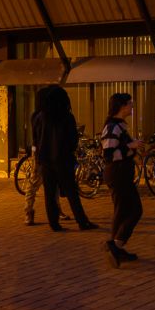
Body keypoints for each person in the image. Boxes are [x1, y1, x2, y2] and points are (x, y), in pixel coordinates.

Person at [32, 86, 97, 232]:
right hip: (63, 160)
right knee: (72, 193)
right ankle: (82, 221)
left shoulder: (40, 117)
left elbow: (35, 139)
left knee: (49, 193)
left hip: (45, 160)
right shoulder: (67, 117)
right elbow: (73, 140)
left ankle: (54, 223)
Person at [100, 93, 144, 268]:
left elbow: (120, 150)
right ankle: (116, 245)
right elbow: (108, 155)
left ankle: (116, 246)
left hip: (122, 174)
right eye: (130, 104)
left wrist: (134, 153)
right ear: (122, 106)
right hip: (117, 174)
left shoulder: (119, 126)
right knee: (134, 210)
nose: (132, 106)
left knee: (122, 210)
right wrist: (129, 147)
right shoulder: (112, 127)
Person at [24, 85, 68, 226]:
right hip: (41, 153)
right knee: (37, 182)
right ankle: (29, 211)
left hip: (42, 151)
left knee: (48, 184)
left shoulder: (42, 114)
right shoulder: (40, 116)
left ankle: (54, 210)